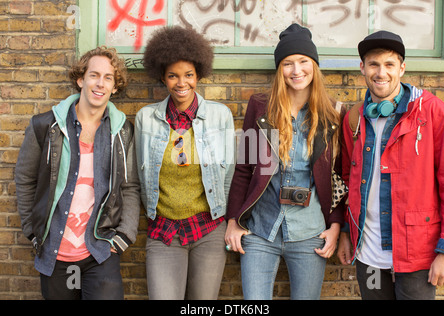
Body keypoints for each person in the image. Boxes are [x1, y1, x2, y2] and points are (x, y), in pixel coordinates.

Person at [224, 23, 346, 300]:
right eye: (288, 63)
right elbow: (244, 168)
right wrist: (233, 220)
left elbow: (339, 177)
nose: (296, 70)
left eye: (303, 61)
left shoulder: (333, 114)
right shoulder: (260, 107)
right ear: (279, 69)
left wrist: (336, 226)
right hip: (259, 229)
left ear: (314, 66)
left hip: (311, 232)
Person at [15, 46, 141, 300]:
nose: (100, 84)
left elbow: (129, 187)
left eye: (108, 78)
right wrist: (33, 229)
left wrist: (124, 235)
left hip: (100, 252)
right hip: (55, 254)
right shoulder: (45, 126)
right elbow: (25, 179)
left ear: (115, 87)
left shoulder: (123, 132)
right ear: (80, 79)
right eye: (94, 75)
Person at [337, 30, 444, 299]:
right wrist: (345, 231)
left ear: (402, 68)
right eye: (374, 64)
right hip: (369, 256)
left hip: (417, 258)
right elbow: (348, 182)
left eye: (389, 64)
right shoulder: (354, 119)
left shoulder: (432, 112)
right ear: (362, 67)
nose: (381, 72)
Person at [135, 26, 235, 300]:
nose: (182, 83)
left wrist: (227, 218)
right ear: (162, 77)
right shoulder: (146, 119)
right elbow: (136, 179)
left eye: (188, 75)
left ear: (198, 74)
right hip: (164, 231)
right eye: (173, 76)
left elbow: (230, 174)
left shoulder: (219, 116)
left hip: (209, 230)